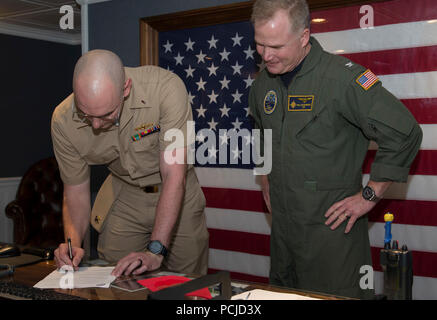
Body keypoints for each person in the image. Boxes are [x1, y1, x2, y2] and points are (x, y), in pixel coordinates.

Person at [249, 0, 422, 299]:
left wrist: (369, 195)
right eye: (259, 44)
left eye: (275, 46)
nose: (266, 55)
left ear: (303, 37)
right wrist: (265, 175)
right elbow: (260, 129)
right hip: (283, 236)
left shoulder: (343, 80)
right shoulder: (263, 82)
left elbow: (406, 133)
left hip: (331, 237)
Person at [51, 49, 209, 277]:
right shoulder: (63, 120)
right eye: (86, 115)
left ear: (125, 89)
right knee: (113, 277)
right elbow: (75, 190)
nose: (95, 125)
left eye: (106, 115)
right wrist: (73, 243)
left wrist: (155, 250)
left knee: (186, 282)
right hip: (124, 194)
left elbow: (174, 176)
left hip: (175, 192)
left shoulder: (165, 90)